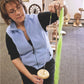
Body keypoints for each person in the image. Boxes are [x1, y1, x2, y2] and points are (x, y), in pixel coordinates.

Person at [0, 0, 66, 84]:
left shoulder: (38, 19)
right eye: (12, 11)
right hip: (28, 69)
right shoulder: (10, 34)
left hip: (47, 64)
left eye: (18, 7)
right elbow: (15, 58)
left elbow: (61, 14)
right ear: (7, 16)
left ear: (23, 6)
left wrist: (60, 5)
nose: (18, 13)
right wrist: (29, 76)